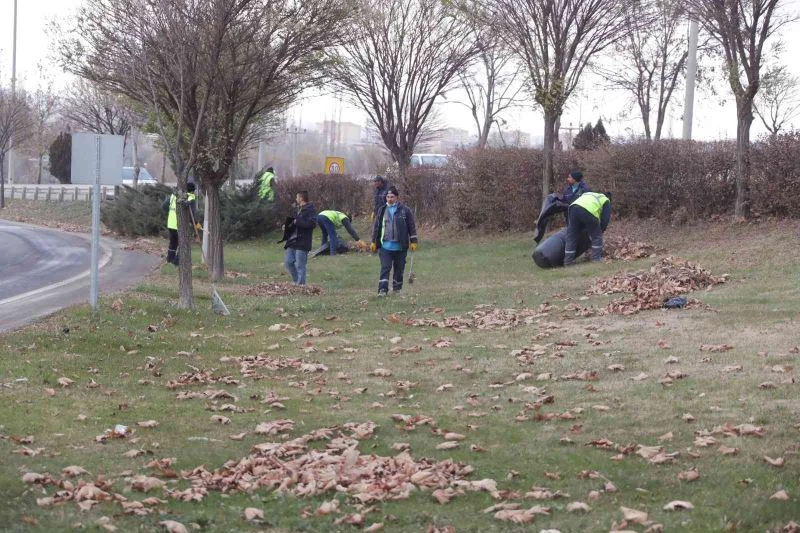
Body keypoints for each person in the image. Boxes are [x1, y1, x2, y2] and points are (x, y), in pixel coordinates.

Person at [370, 186, 418, 296]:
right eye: (388, 197)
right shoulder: (382, 210)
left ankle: (397, 289)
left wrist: (414, 241)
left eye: (392, 197)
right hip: (385, 246)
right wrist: (373, 241)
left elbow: (411, 226)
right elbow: (377, 227)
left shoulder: (405, 210)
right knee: (385, 268)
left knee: (399, 269)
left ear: (397, 197)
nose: (390, 199)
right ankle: (382, 290)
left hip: (401, 246)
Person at [564, 191, 612, 266]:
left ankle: (568, 262)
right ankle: (596, 259)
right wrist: (601, 230)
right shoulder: (606, 200)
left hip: (573, 208)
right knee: (596, 236)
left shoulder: (590, 194)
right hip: (588, 210)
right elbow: (605, 219)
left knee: (571, 236)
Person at [283, 190, 317, 285]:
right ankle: (297, 281)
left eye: (297, 197)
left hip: (303, 241)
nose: (296, 199)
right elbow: (294, 222)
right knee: (288, 262)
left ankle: (301, 285)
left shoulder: (310, 210)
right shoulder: (298, 209)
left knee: (300, 265)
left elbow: (312, 224)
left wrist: (297, 222)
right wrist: (287, 226)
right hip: (293, 241)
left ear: (301, 198)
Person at [162, 182, 200, 266]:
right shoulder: (190, 198)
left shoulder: (174, 195)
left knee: (173, 243)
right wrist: (197, 225)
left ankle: (169, 259)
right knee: (183, 244)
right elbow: (191, 217)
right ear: (192, 191)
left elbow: (164, 207)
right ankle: (176, 262)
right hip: (180, 226)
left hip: (171, 224)